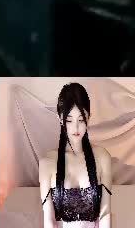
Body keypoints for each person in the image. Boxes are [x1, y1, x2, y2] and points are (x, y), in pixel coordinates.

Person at [39, 83, 113, 228]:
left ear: (89, 117)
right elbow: (49, 220)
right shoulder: (47, 162)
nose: (76, 127)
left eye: (81, 119)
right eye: (69, 120)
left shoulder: (102, 157)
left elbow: (105, 214)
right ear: (60, 118)